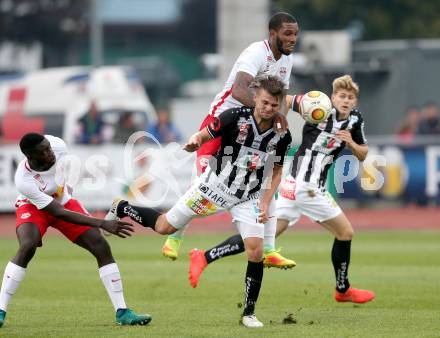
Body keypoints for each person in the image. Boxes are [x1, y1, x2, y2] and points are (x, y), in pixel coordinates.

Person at [105, 77, 293, 327]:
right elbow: (205, 134)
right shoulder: (234, 117)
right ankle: (121, 207)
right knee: (164, 227)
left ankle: (248, 313)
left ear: (279, 104)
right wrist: (196, 141)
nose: (269, 108)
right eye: (266, 102)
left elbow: (277, 170)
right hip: (212, 188)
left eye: (274, 104)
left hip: (247, 196)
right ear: (256, 97)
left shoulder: (282, 134)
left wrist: (265, 201)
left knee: (256, 250)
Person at [189, 75, 375, 304]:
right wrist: (279, 120)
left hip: (292, 185)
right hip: (306, 187)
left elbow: (364, 153)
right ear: (332, 97)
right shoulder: (319, 110)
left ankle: (205, 257)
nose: (345, 101)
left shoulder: (355, 121)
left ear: (355, 101)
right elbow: (286, 101)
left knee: (261, 236)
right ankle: (342, 289)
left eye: (350, 97)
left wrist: (352, 144)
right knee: (346, 233)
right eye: (341, 96)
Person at [161, 12, 299, 268]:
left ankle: (268, 249)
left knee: (266, 178)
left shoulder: (286, 61)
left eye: (295, 34)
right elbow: (238, 90)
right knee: (203, 180)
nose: (293, 39)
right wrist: (268, 115)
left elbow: (282, 97)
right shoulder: (256, 53)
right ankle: (175, 234)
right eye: (287, 34)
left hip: (256, 129)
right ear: (273, 34)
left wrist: (277, 123)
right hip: (225, 121)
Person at [0, 133, 151, 328]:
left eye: (49, 147)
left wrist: (66, 187)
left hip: (63, 202)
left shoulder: (58, 146)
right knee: (28, 245)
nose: (50, 152)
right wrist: (102, 223)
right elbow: (58, 213)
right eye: (44, 151)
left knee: (100, 245)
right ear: (31, 157)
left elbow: (65, 189)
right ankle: (1, 310)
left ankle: (122, 312)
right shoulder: (24, 180)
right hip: (33, 207)